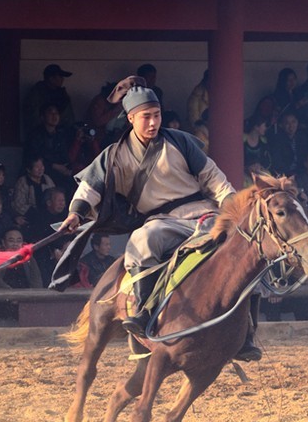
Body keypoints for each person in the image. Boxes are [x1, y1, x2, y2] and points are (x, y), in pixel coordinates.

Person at [55, 77, 260, 362]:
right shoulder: (115, 156)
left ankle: (246, 332)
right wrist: (75, 214)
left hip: (203, 213)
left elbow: (213, 178)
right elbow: (90, 188)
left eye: (157, 115)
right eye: (146, 117)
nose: (153, 122)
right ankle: (143, 315)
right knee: (141, 241)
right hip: (161, 221)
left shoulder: (182, 142)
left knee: (243, 249)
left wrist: (231, 206)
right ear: (130, 118)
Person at [22, 64, 75, 138]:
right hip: (40, 138)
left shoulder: (62, 95)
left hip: (61, 137)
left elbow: (69, 119)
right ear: (51, 79)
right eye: (60, 76)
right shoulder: (36, 94)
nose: (62, 79)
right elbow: (33, 120)